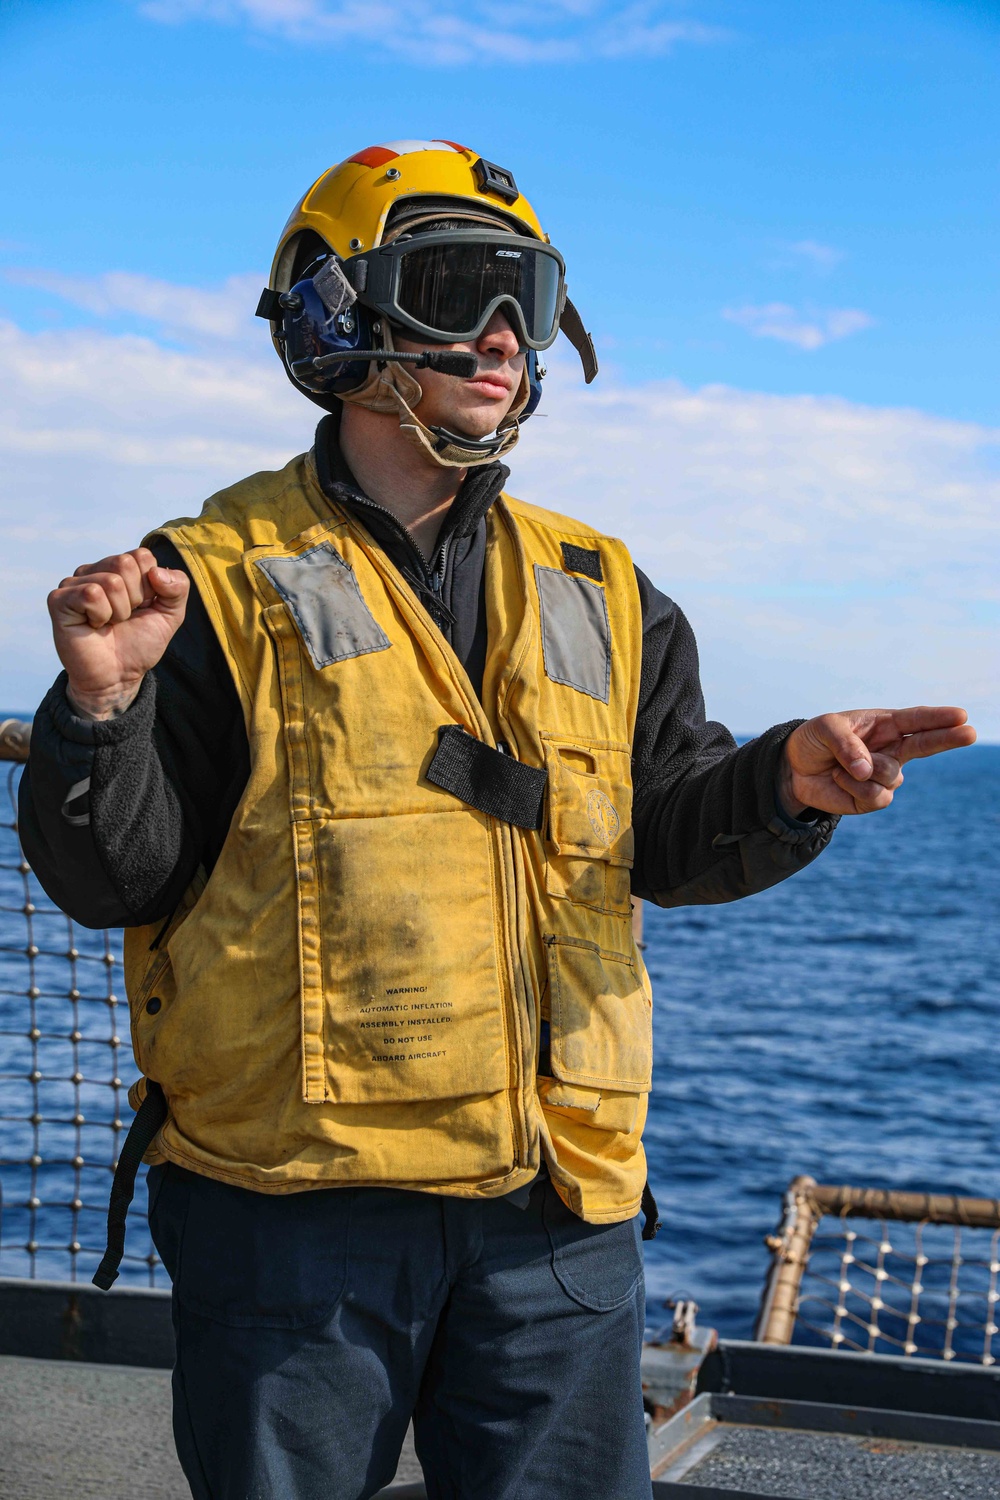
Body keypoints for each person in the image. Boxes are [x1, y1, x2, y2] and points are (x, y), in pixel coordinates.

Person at [19, 140, 975, 1500]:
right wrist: (98, 713)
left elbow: (665, 826)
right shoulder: (204, 583)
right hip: (297, 1220)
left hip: (559, 1223)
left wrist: (780, 785)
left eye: (527, 296)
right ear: (340, 320)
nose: (505, 337)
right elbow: (114, 877)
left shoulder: (605, 587)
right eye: (461, 289)